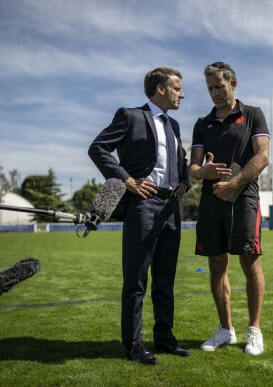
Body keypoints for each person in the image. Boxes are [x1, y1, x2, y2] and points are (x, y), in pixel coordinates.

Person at [88, 67, 190, 365]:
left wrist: (184, 181)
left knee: (165, 279)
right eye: (177, 88)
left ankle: (164, 338)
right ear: (161, 89)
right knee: (136, 281)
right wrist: (127, 180)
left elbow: (178, 160)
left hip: (172, 207)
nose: (182, 94)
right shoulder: (130, 116)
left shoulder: (175, 126)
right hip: (142, 204)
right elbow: (98, 148)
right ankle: (133, 344)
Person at [189, 62, 270, 356]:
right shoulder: (202, 123)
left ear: (233, 84)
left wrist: (234, 182)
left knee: (249, 263)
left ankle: (254, 330)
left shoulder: (252, 115)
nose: (214, 93)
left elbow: (262, 157)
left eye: (219, 87)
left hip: (244, 197)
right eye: (210, 88)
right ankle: (226, 330)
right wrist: (203, 172)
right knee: (216, 265)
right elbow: (194, 168)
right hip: (211, 201)